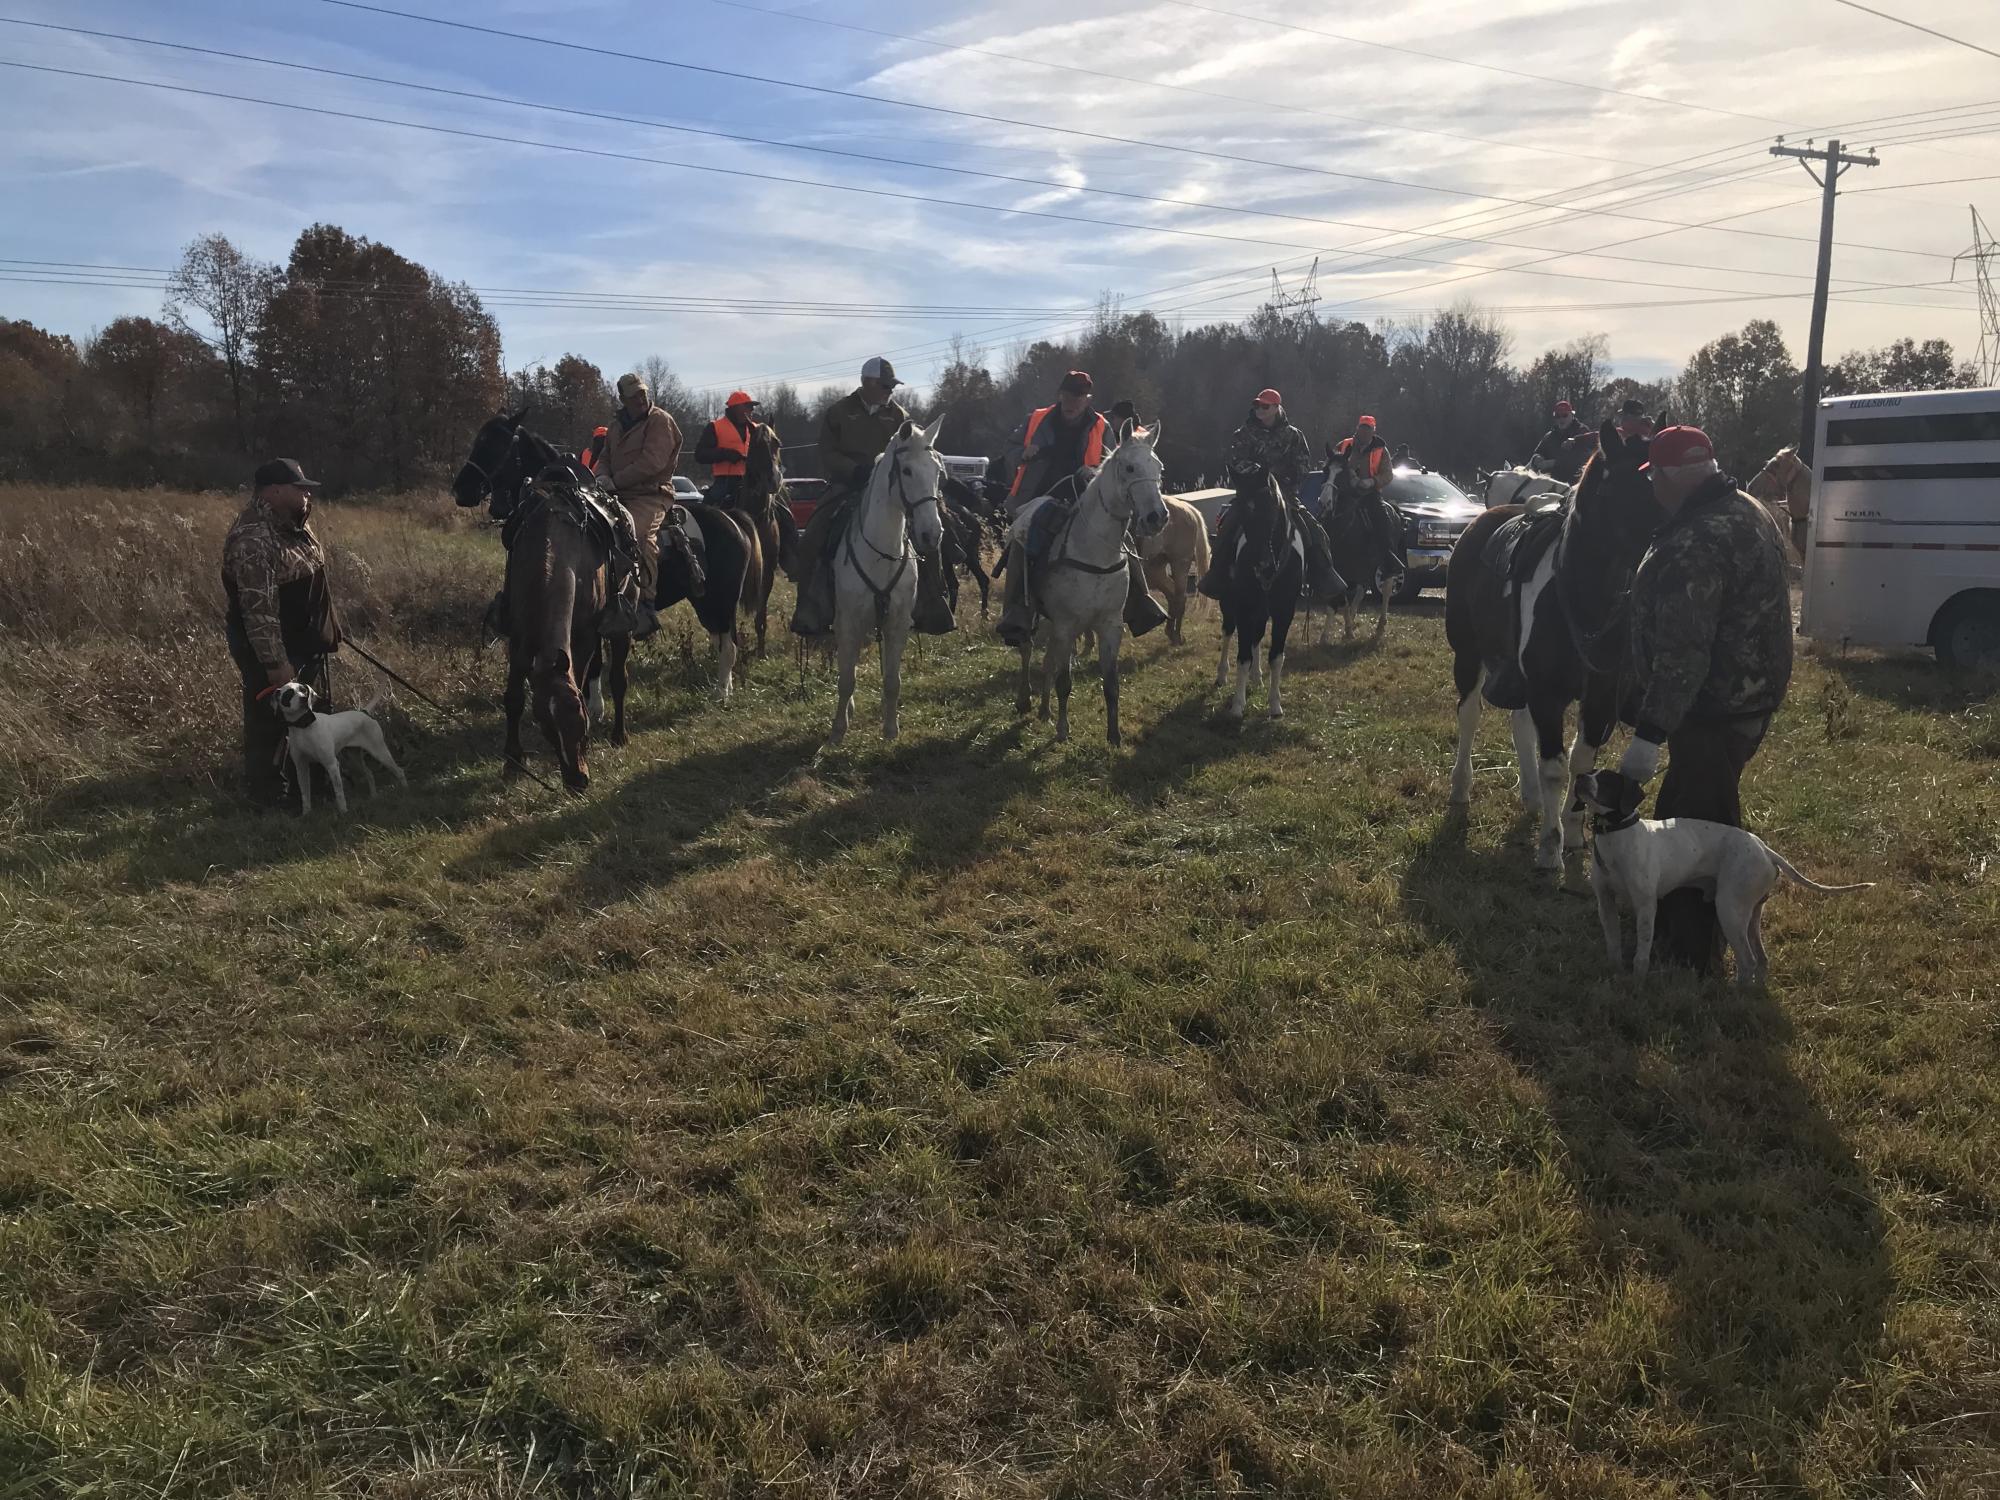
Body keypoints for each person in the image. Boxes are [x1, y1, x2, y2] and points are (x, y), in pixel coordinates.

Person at [1618, 425, 1794, 974]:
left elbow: (1684, 655)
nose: (1651, 491)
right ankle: (1696, 932)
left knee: (1690, 826)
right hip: (1750, 698)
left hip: (1712, 708)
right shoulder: (1747, 509)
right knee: (1703, 808)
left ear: (1670, 478)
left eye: (1654, 480)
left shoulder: (1696, 542)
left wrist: (1648, 736)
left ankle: (1689, 954)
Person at [994, 370, 1167, 647]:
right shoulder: (1036, 419)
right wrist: (1021, 454)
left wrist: (1094, 471)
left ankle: (1141, 603)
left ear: (1087, 400)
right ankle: (1017, 612)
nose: (1072, 402)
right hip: (1043, 494)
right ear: (1060, 395)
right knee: (1021, 539)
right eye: (1068, 395)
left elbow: (1115, 465)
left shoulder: (1101, 426)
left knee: (1123, 538)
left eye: (1079, 397)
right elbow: (1009, 448)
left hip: (1086, 496)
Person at [791, 357, 954, 636]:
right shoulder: (839, 412)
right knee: (813, 536)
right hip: (847, 485)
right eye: (885, 385)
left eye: (892, 386)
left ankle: (933, 602)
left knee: (934, 530)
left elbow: (915, 452)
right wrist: (853, 469)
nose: (890, 390)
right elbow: (826, 453)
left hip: (891, 489)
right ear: (866, 382)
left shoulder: (900, 416)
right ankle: (809, 607)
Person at [222, 458, 342, 809]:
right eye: (299, 487)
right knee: (269, 726)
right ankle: (269, 798)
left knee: (310, 719)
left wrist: (328, 630)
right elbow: (258, 611)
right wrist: (276, 664)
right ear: (274, 491)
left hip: (306, 645)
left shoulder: (293, 525)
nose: (307, 493)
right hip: (279, 652)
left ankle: (313, 789)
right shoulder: (254, 539)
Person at [1200, 388, 1341, 600]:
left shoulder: (1294, 435)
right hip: (1251, 493)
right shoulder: (1244, 433)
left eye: (1265, 406)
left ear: (1277, 408)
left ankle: (1322, 576)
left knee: (1313, 530)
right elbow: (1235, 460)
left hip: (1285, 494)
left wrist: (1286, 478)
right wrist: (1259, 473)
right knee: (1228, 527)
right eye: (1257, 405)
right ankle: (1217, 575)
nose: (1259, 409)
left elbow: (1303, 464)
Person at [597, 372, 686, 636]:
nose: (640, 398)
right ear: (622, 398)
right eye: (634, 394)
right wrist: (602, 475)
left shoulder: (660, 421)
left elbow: (652, 463)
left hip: (650, 495)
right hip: (616, 493)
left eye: (642, 392)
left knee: (638, 535)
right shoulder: (615, 426)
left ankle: (646, 604)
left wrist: (616, 481)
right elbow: (605, 456)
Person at [1329, 414, 1406, 581]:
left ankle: (1389, 561)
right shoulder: (1344, 445)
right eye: (1362, 428)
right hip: (1344, 493)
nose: (1364, 432)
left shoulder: (1381, 450)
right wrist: (1349, 475)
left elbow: (1388, 474)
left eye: (1368, 429)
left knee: (1382, 521)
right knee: (1323, 514)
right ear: (1357, 428)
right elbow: (1331, 463)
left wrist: (1371, 482)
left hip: (1369, 494)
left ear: (1373, 431)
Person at [1532, 400, 1597, 482]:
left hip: (1574, 482)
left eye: (1565, 415)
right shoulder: (1550, 435)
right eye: (1558, 416)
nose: (1561, 419)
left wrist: (1554, 463)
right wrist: (1537, 457)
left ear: (1572, 415)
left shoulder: (1582, 431)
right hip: (1551, 482)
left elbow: (1582, 458)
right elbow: (1538, 451)